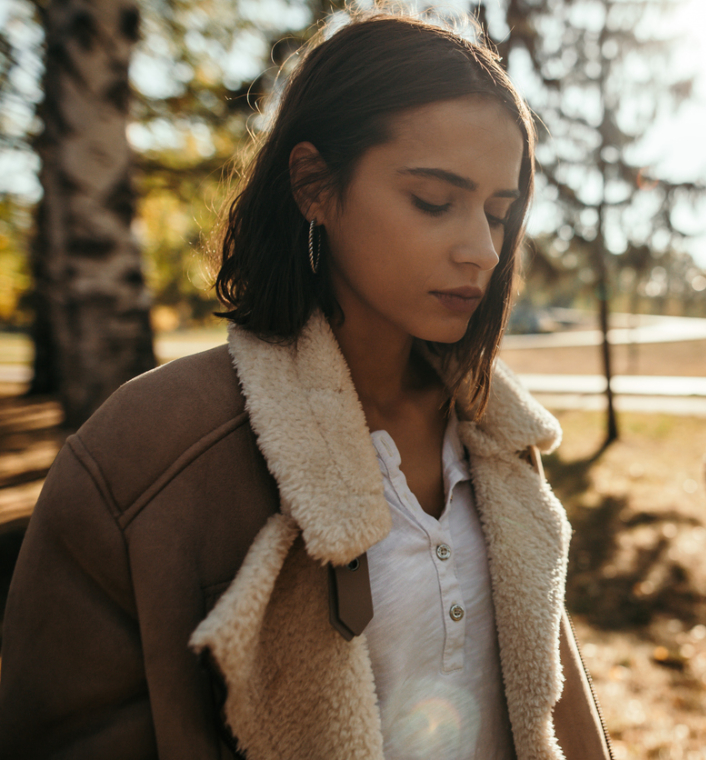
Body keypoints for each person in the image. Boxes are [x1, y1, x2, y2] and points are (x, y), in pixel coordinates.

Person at [0, 13, 610, 760]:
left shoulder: (498, 431)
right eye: (432, 201)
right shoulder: (147, 455)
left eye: (497, 212)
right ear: (314, 184)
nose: (481, 250)